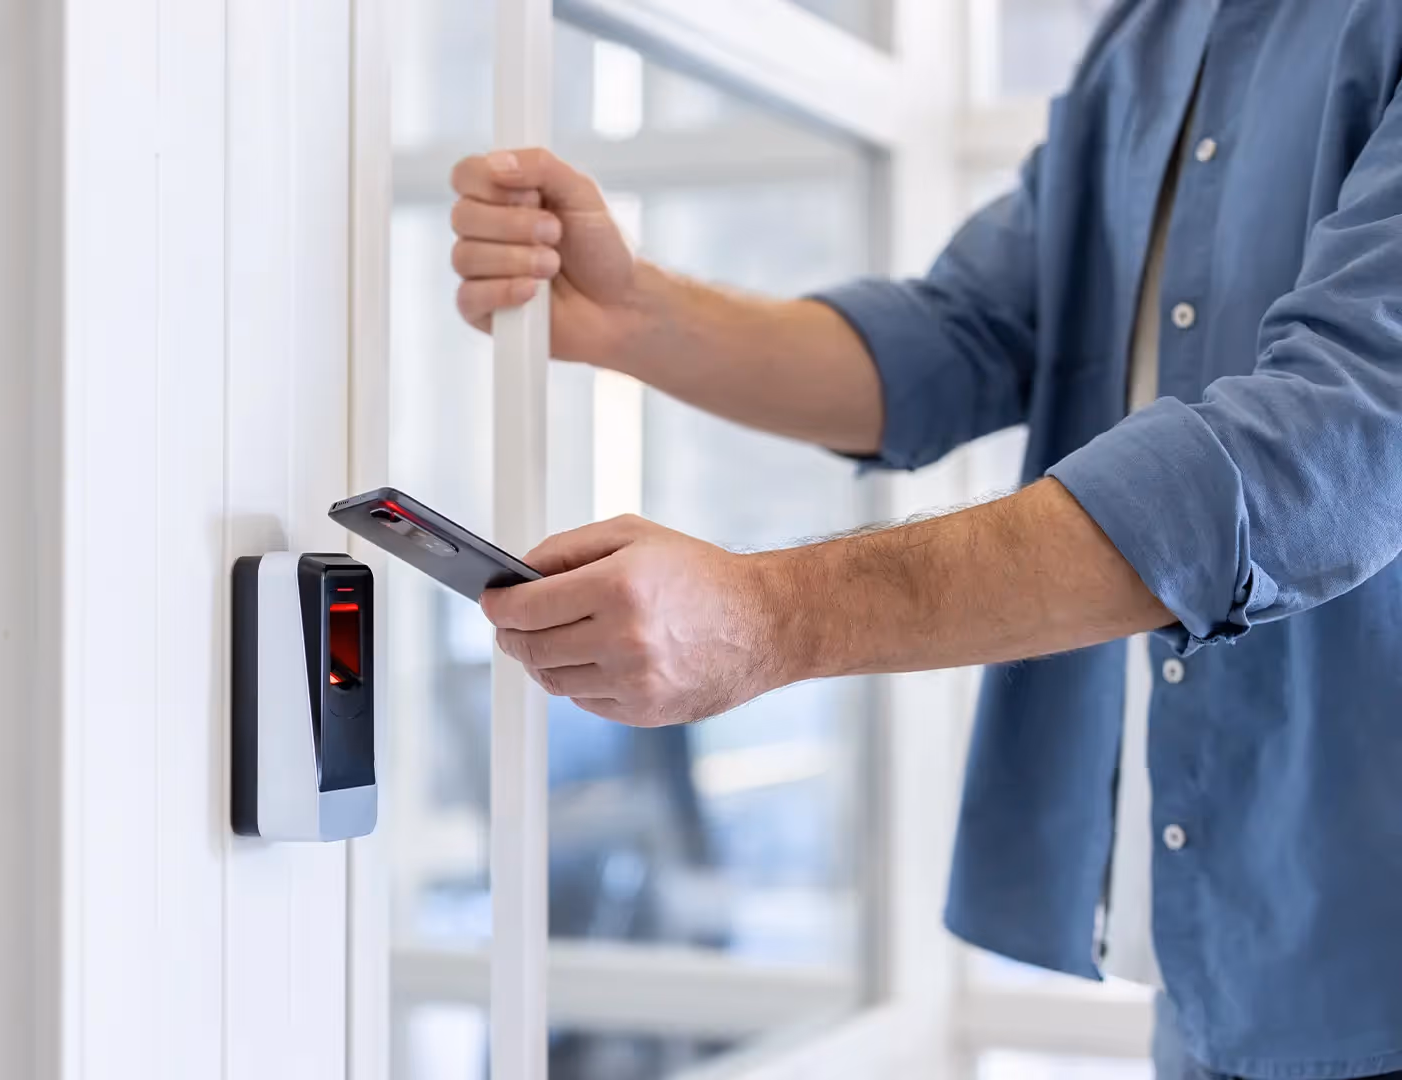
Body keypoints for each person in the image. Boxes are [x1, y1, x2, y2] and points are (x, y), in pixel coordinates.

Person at [445, 3, 1402, 1079]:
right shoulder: (1150, 37)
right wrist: (633, 313)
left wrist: (769, 619)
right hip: (1211, 964)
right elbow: (956, 339)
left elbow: (1331, 450)